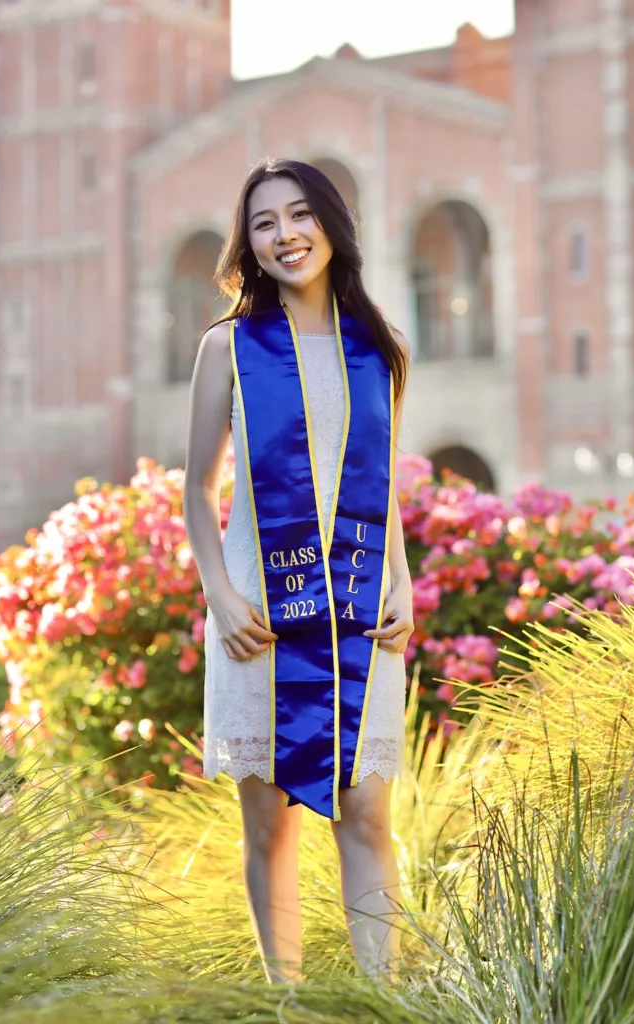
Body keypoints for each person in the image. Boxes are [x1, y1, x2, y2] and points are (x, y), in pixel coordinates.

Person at [183, 158, 414, 984]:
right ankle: (289, 1002)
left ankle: (379, 998)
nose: (284, 235)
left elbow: (382, 487)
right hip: (259, 614)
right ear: (246, 244)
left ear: (330, 223)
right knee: (269, 824)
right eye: (263, 223)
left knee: (366, 814)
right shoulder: (230, 348)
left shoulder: (377, 350)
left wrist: (403, 582)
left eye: (298, 215)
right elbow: (196, 488)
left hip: (360, 609)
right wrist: (220, 596)